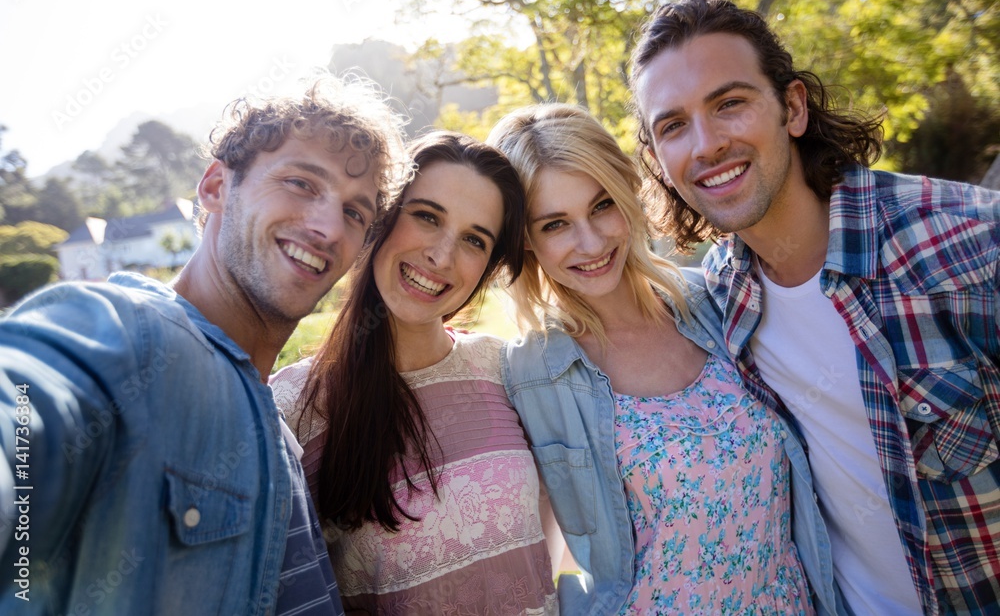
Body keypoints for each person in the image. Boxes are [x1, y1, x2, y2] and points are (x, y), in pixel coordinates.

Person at [629, 0, 1000, 615]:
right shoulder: (720, 295)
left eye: (730, 104)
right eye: (673, 126)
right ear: (658, 161)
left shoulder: (966, 244)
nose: (706, 144)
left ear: (793, 107)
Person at [0, 75, 409, 615]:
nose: (330, 227)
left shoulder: (281, 437)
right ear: (216, 187)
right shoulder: (122, 333)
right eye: (302, 183)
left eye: (356, 212)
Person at [489, 103, 838, 615]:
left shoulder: (720, 302)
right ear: (526, 239)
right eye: (555, 224)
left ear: (629, 192)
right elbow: (530, 556)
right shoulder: (532, 374)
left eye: (602, 205)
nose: (590, 242)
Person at [270, 131, 559, 615]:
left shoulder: (506, 371)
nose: (442, 257)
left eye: (473, 239)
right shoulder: (293, 409)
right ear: (382, 218)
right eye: (426, 216)